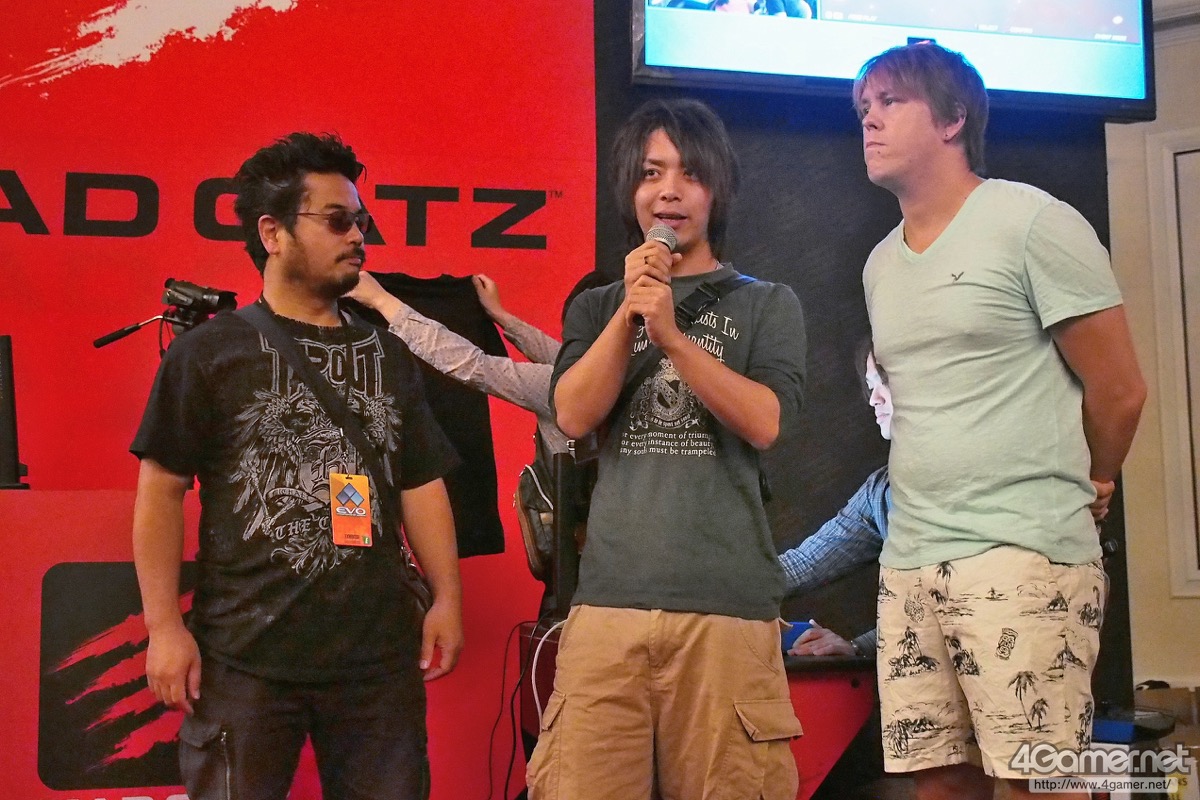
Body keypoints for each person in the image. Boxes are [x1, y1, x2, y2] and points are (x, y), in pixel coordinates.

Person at [130, 132, 464, 800]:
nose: (358, 236)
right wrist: (163, 628)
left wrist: (448, 597)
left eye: (362, 221)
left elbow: (421, 482)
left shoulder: (388, 355)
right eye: (337, 220)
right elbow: (161, 491)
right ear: (273, 233)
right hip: (243, 657)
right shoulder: (209, 353)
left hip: (376, 662)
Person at [856, 43, 1146, 800]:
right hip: (910, 560)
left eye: (890, 102)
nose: (869, 120)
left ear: (953, 118)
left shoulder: (1033, 222)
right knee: (935, 782)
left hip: (1022, 554)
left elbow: (1119, 390)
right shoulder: (879, 264)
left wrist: (1097, 478)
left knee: (1035, 786)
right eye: (864, 107)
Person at [526, 98, 808, 800]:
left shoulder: (766, 303)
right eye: (652, 173)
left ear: (718, 189)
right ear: (631, 190)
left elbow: (766, 422)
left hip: (727, 610)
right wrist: (632, 310)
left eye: (690, 173)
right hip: (609, 606)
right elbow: (573, 413)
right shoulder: (598, 306)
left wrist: (673, 339)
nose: (669, 191)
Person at [345, 270, 610, 455]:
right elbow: (561, 357)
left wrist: (383, 302)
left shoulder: (558, 387)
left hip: (576, 518)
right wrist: (501, 316)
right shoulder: (615, 369)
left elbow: (472, 364)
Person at [780, 339, 890, 658]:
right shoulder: (881, 490)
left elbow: (953, 607)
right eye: (870, 385)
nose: (874, 399)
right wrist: (711, 582)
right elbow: (804, 563)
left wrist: (859, 646)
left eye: (885, 382)